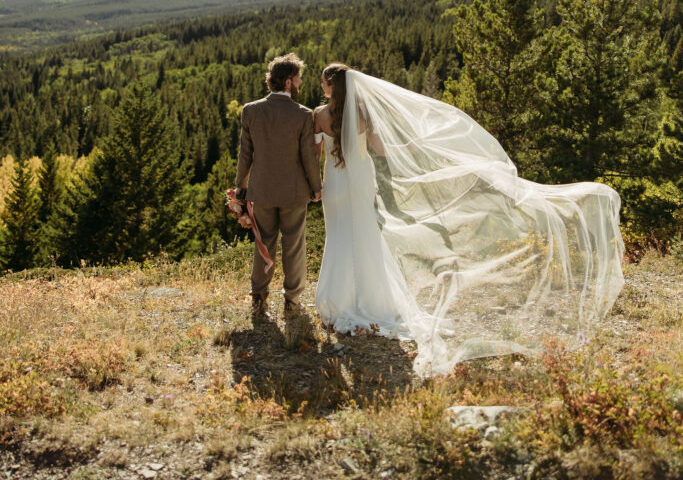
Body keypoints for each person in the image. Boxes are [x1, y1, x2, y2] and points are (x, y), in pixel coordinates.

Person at [314, 64, 625, 376]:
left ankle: (337, 301)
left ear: (331, 86)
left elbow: (314, 152)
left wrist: (312, 183)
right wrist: (414, 146)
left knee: (338, 236)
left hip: (334, 185)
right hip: (360, 183)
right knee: (365, 237)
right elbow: (381, 149)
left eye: (324, 83)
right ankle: (371, 301)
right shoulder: (363, 116)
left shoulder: (318, 115)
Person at [235, 53, 322, 317]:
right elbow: (308, 156)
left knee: (264, 245)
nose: (300, 83)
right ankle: (292, 301)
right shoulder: (303, 115)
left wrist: (240, 186)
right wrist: (316, 187)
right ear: (287, 82)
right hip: (294, 192)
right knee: (294, 247)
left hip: (260, 190)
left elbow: (245, 153)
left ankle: (259, 298)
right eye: (298, 78)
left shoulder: (251, 110)